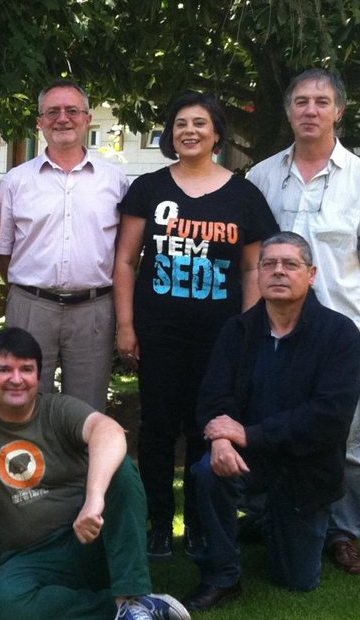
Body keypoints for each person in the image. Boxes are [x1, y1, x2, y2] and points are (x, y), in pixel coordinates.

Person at [0, 327, 191, 620]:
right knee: (8, 605)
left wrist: (94, 500)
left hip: (90, 539)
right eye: (4, 369)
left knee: (121, 469)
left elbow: (110, 431)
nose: (16, 379)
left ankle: (130, 593)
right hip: (32, 555)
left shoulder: (58, 409)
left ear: (39, 376)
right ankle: (126, 606)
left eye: (26, 369)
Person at [114, 92, 277, 560]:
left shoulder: (244, 195)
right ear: (170, 134)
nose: (189, 131)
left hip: (219, 338)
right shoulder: (148, 188)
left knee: (207, 428)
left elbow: (252, 268)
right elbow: (125, 261)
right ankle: (159, 524)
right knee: (158, 428)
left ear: (217, 133)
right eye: (181, 123)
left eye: (200, 123)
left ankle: (202, 526)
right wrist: (126, 326)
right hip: (159, 333)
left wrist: (247, 329)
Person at [245, 69, 360, 575]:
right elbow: (251, 255)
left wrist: (341, 314)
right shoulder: (262, 176)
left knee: (343, 436)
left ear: (338, 111)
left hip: (337, 333)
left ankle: (344, 531)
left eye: (322, 102)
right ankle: (265, 514)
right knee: (267, 421)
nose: (311, 110)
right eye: (301, 101)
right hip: (271, 327)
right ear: (288, 111)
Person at [183, 232, 360, 608]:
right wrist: (221, 439)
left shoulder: (340, 335)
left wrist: (248, 434)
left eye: (290, 264)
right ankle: (222, 576)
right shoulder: (238, 331)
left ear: (311, 275)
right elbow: (213, 397)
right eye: (269, 264)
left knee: (296, 579)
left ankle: (268, 521)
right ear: (259, 274)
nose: (278, 271)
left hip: (306, 467)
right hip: (249, 459)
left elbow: (329, 418)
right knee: (207, 471)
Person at [0, 81, 129, 411]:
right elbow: (2, 252)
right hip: (31, 306)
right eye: (52, 112)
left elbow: (124, 254)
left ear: (87, 119)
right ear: (39, 122)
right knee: (22, 403)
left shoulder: (115, 181)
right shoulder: (15, 182)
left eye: (72, 110)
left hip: (93, 310)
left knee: (87, 409)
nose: (62, 118)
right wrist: (30, 290)